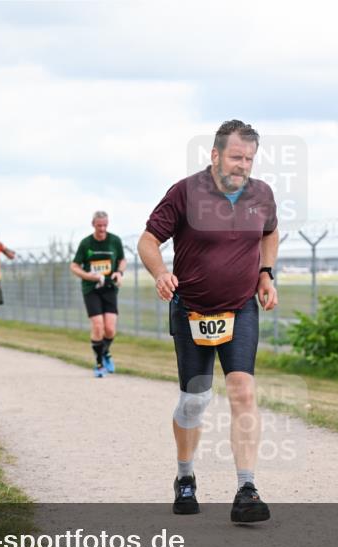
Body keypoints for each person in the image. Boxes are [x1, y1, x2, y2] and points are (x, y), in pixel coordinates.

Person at [137, 119, 279, 523]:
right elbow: (148, 240)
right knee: (195, 400)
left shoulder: (261, 194)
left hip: (240, 307)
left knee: (242, 391)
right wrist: (161, 273)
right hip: (192, 309)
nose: (243, 165)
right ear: (215, 154)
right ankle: (185, 477)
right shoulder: (185, 192)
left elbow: (271, 231)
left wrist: (266, 274)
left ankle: (246, 490)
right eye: (236, 157)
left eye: (249, 159)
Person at [70, 211, 127, 377]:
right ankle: (99, 364)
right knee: (97, 326)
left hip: (109, 288)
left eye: (105, 225)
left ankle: (105, 352)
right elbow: (74, 266)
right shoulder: (86, 243)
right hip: (91, 289)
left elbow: (122, 260)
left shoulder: (115, 240)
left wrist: (119, 273)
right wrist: (90, 276)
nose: (102, 229)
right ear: (93, 224)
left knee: (109, 328)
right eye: (99, 225)